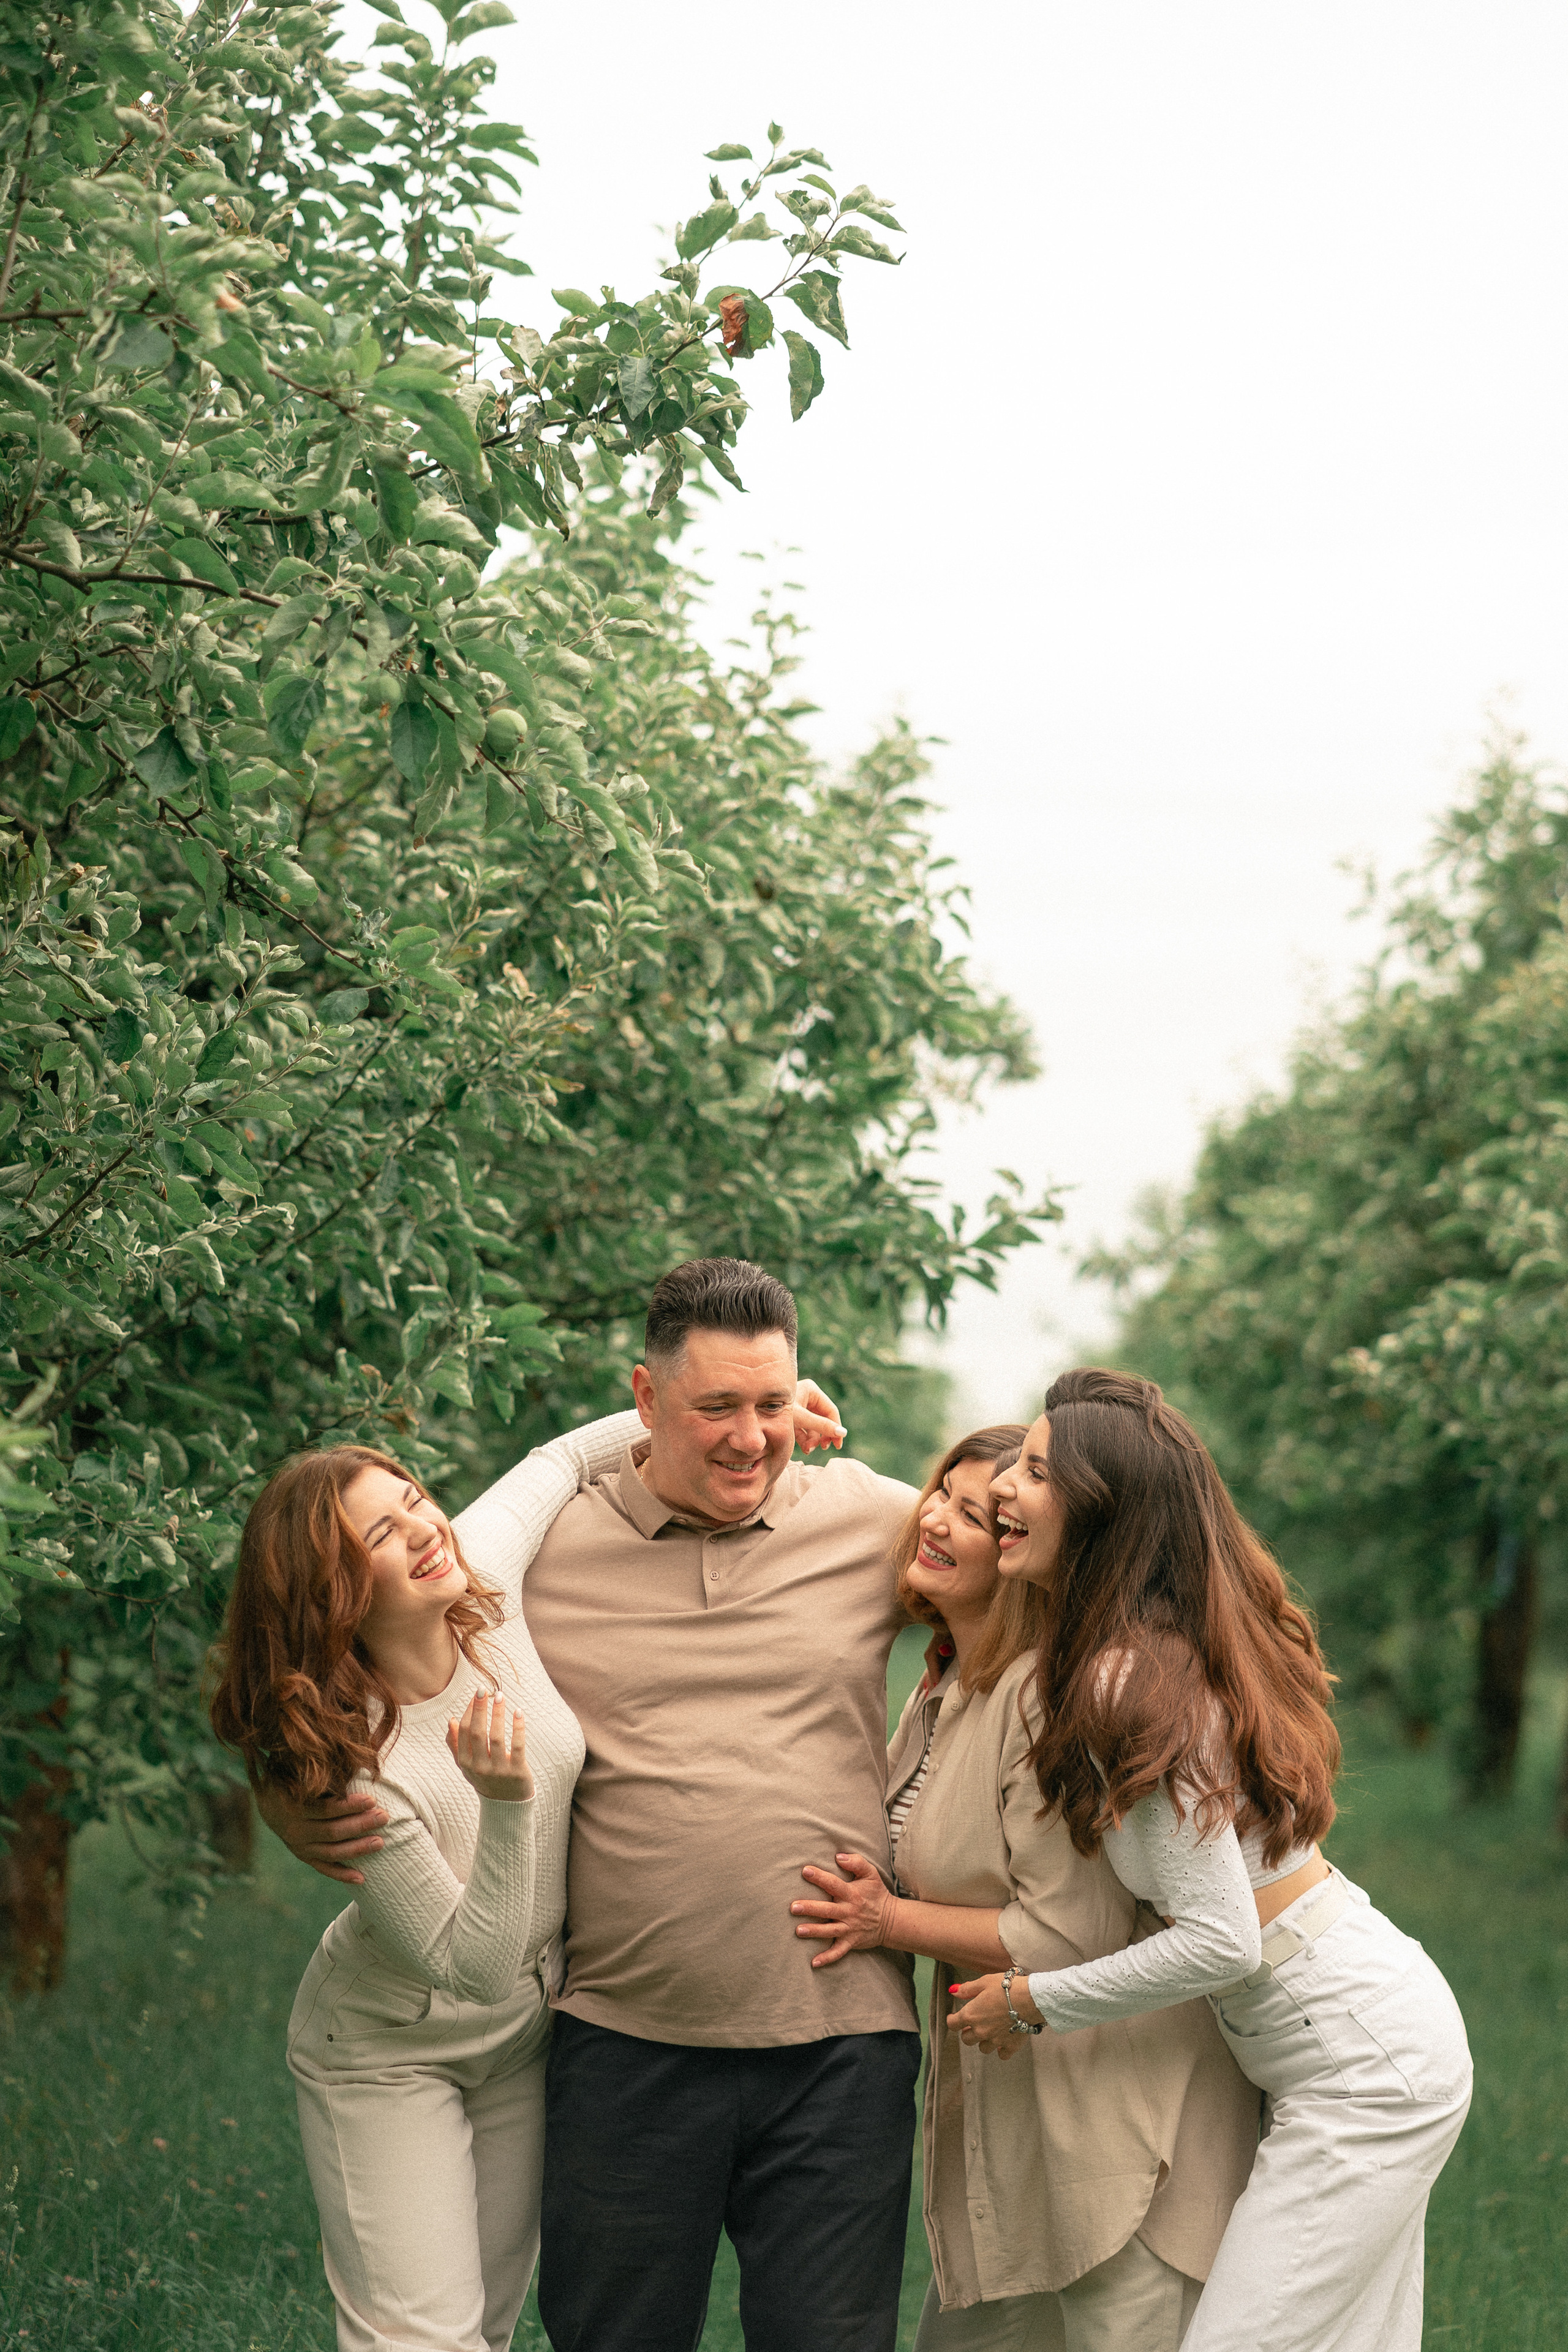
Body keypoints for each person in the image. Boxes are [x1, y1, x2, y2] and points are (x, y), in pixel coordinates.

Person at [260, 1258, 923, 2352]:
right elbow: (300, 1647)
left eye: (771, 1403)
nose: (751, 1438)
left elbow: (1035, 1574)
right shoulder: (530, 1561)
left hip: (841, 2044)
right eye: (715, 1406)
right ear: (645, 1399)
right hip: (621, 2041)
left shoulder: (874, 1524)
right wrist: (292, 1796)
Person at [946, 1368, 1472, 2352]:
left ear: (1105, 1510)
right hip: (1357, 2029)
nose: (1004, 1490)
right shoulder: (1143, 1646)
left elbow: (1222, 1944)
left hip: (1364, 2063)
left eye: (1035, 1472)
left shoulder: (1125, 1675)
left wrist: (1033, 1999)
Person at [791, 1427, 1261, 2352]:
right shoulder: (944, 1687)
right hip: (1016, 2120)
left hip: (1118, 2124)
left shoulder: (1043, 1699)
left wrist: (886, 1919)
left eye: (978, 1514)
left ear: (1019, 1552)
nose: (936, 1518)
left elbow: (1068, 1927)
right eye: (941, 1494)